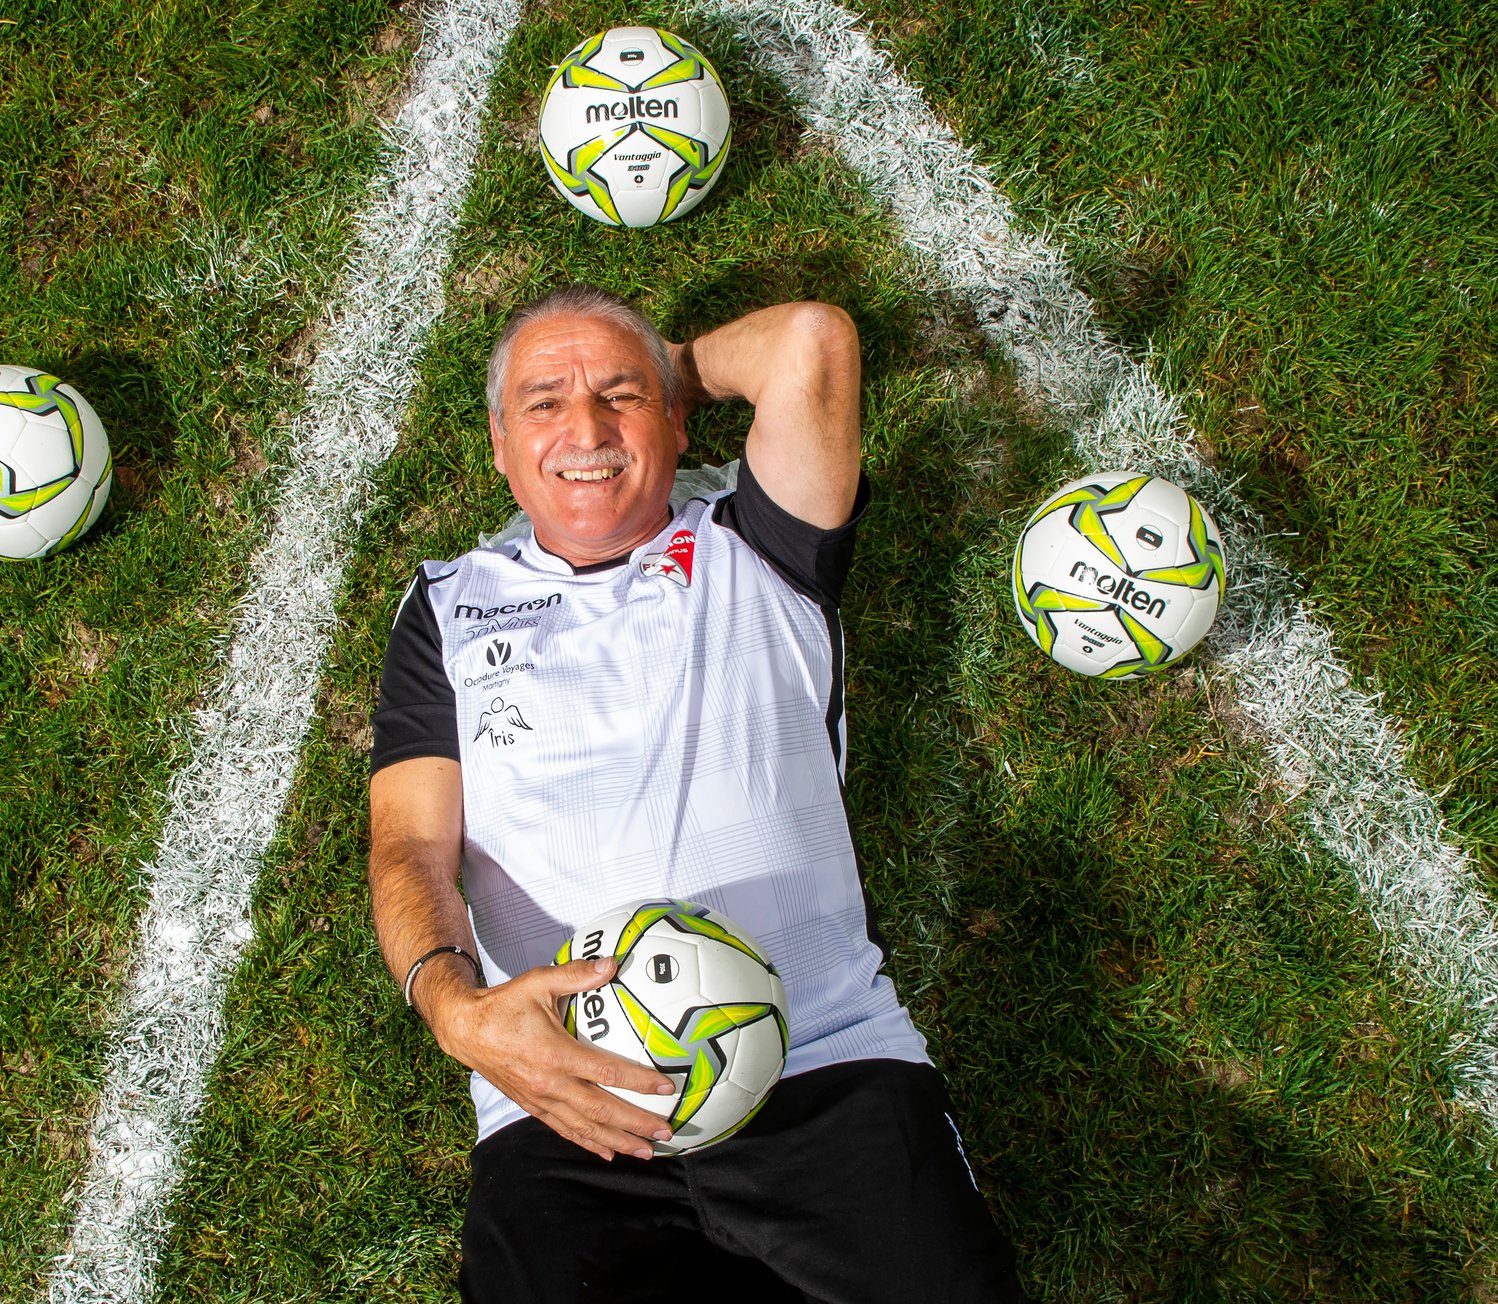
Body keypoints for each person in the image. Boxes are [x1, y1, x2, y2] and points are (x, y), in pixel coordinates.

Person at [367, 285, 1025, 1302]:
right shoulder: (447, 606)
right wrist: (459, 1015)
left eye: (619, 397)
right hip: (564, 1099)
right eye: (542, 403)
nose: (583, 427)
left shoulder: (757, 539)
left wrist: (664, 364)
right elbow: (408, 844)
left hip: (821, 1061)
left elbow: (809, 341)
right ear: (499, 446)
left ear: (679, 416)